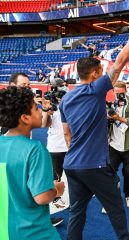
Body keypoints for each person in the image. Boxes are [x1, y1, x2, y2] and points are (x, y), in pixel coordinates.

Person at [60, 23, 129, 240]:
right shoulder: (94, 89)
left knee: (77, 210)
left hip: (72, 164)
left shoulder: (66, 99)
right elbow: (120, 62)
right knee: (115, 206)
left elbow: (67, 133)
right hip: (92, 164)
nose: (104, 74)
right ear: (95, 73)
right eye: (101, 72)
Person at [0, 86, 65, 239]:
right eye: (36, 108)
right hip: (34, 232)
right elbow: (42, 197)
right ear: (25, 117)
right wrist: (57, 190)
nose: (40, 110)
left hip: (5, 231)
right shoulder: (35, 149)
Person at [107, 81, 129, 210]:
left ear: (125, 91)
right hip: (114, 144)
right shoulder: (111, 104)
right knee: (110, 173)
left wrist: (119, 118)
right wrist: (109, 118)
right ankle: (111, 199)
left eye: (121, 93)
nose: (118, 96)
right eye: (116, 93)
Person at [41, 89, 69, 211]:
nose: (61, 100)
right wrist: (46, 111)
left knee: (70, 174)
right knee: (56, 175)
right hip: (55, 147)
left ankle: (67, 196)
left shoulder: (70, 109)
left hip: (69, 146)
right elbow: (43, 124)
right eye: (58, 98)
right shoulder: (52, 110)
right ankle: (55, 199)